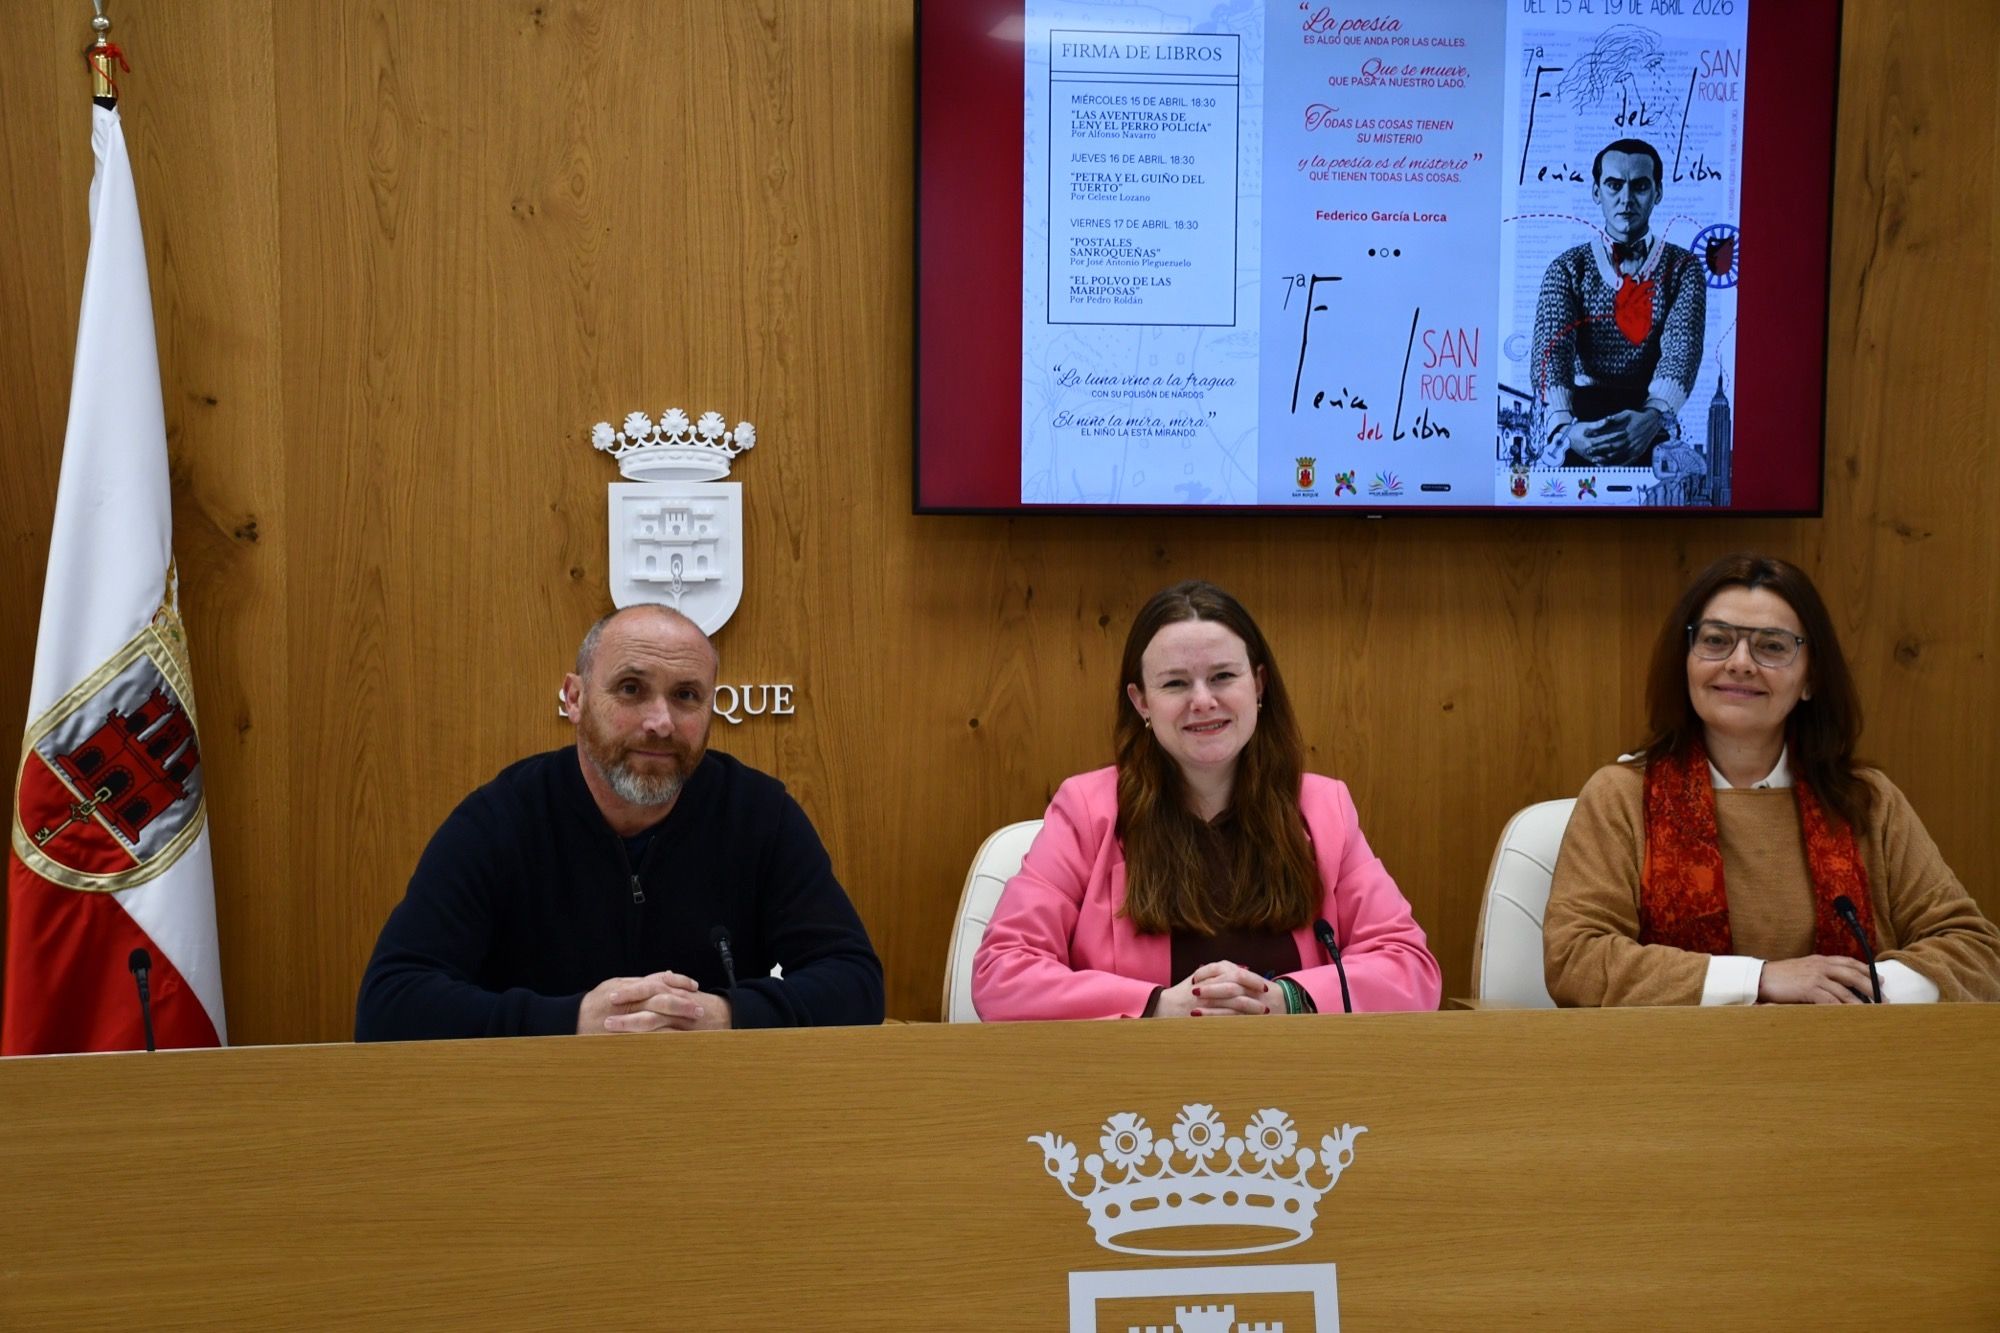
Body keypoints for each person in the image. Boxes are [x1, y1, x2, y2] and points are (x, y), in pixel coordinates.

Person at [355, 604, 883, 1039]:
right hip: (534, 1117)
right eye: (631, 689)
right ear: (576, 699)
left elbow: (856, 982)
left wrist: (725, 1014)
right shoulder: (500, 818)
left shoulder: (758, 813)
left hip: (713, 1114)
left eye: (686, 696)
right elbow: (389, 1004)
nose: (661, 722)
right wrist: (574, 1021)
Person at [1544, 554, 2000, 1006]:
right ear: (1685, 664)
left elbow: (1975, 952)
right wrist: (1757, 980)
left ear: (1810, 678)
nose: (1740, 663)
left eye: (1773, 646)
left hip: (1847, 1065)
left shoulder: (1865, 800)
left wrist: (1852, 989)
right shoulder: (1622, 796)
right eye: (1717, 640)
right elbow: (1575, 959)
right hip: (1673, 1069)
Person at [971, 581, 1440, 1020]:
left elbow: (1410, 968)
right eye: (1175, 684)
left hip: (1296, 1085)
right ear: (1142, 703)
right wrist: (1154, 1006)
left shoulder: (1324, 808)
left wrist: (1286, 999)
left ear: (1257, 685)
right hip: (1135, 1090)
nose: (1202, 701)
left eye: (1222, 677)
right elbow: (1002, 972)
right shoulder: (1087, 810)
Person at [1531, 137, 1706, 468]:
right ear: (1596, 191)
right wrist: (1567, 428)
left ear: (1658, 192)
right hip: (1578, 422)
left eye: (1640, 186)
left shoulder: (1684, 269)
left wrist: (1653, 417)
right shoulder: (1567, 268)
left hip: (1650, 418)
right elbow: (1551, 354)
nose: (1626, 199)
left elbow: (1681, 351)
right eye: (1614, 185)